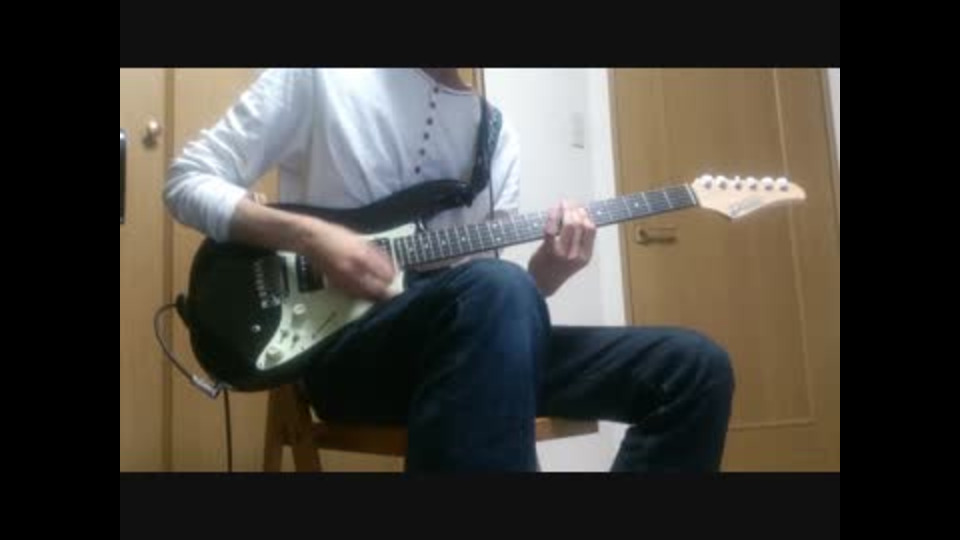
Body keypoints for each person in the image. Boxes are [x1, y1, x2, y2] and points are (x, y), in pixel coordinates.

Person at [164, 68, 734, 472]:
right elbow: (186, 180)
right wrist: (311, 238)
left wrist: (548, 274)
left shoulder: (495, 133)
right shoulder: (322, 76)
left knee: (692, 368)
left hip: (468, 354)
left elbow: (487, 301)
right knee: (496, 289)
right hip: (346, 354)